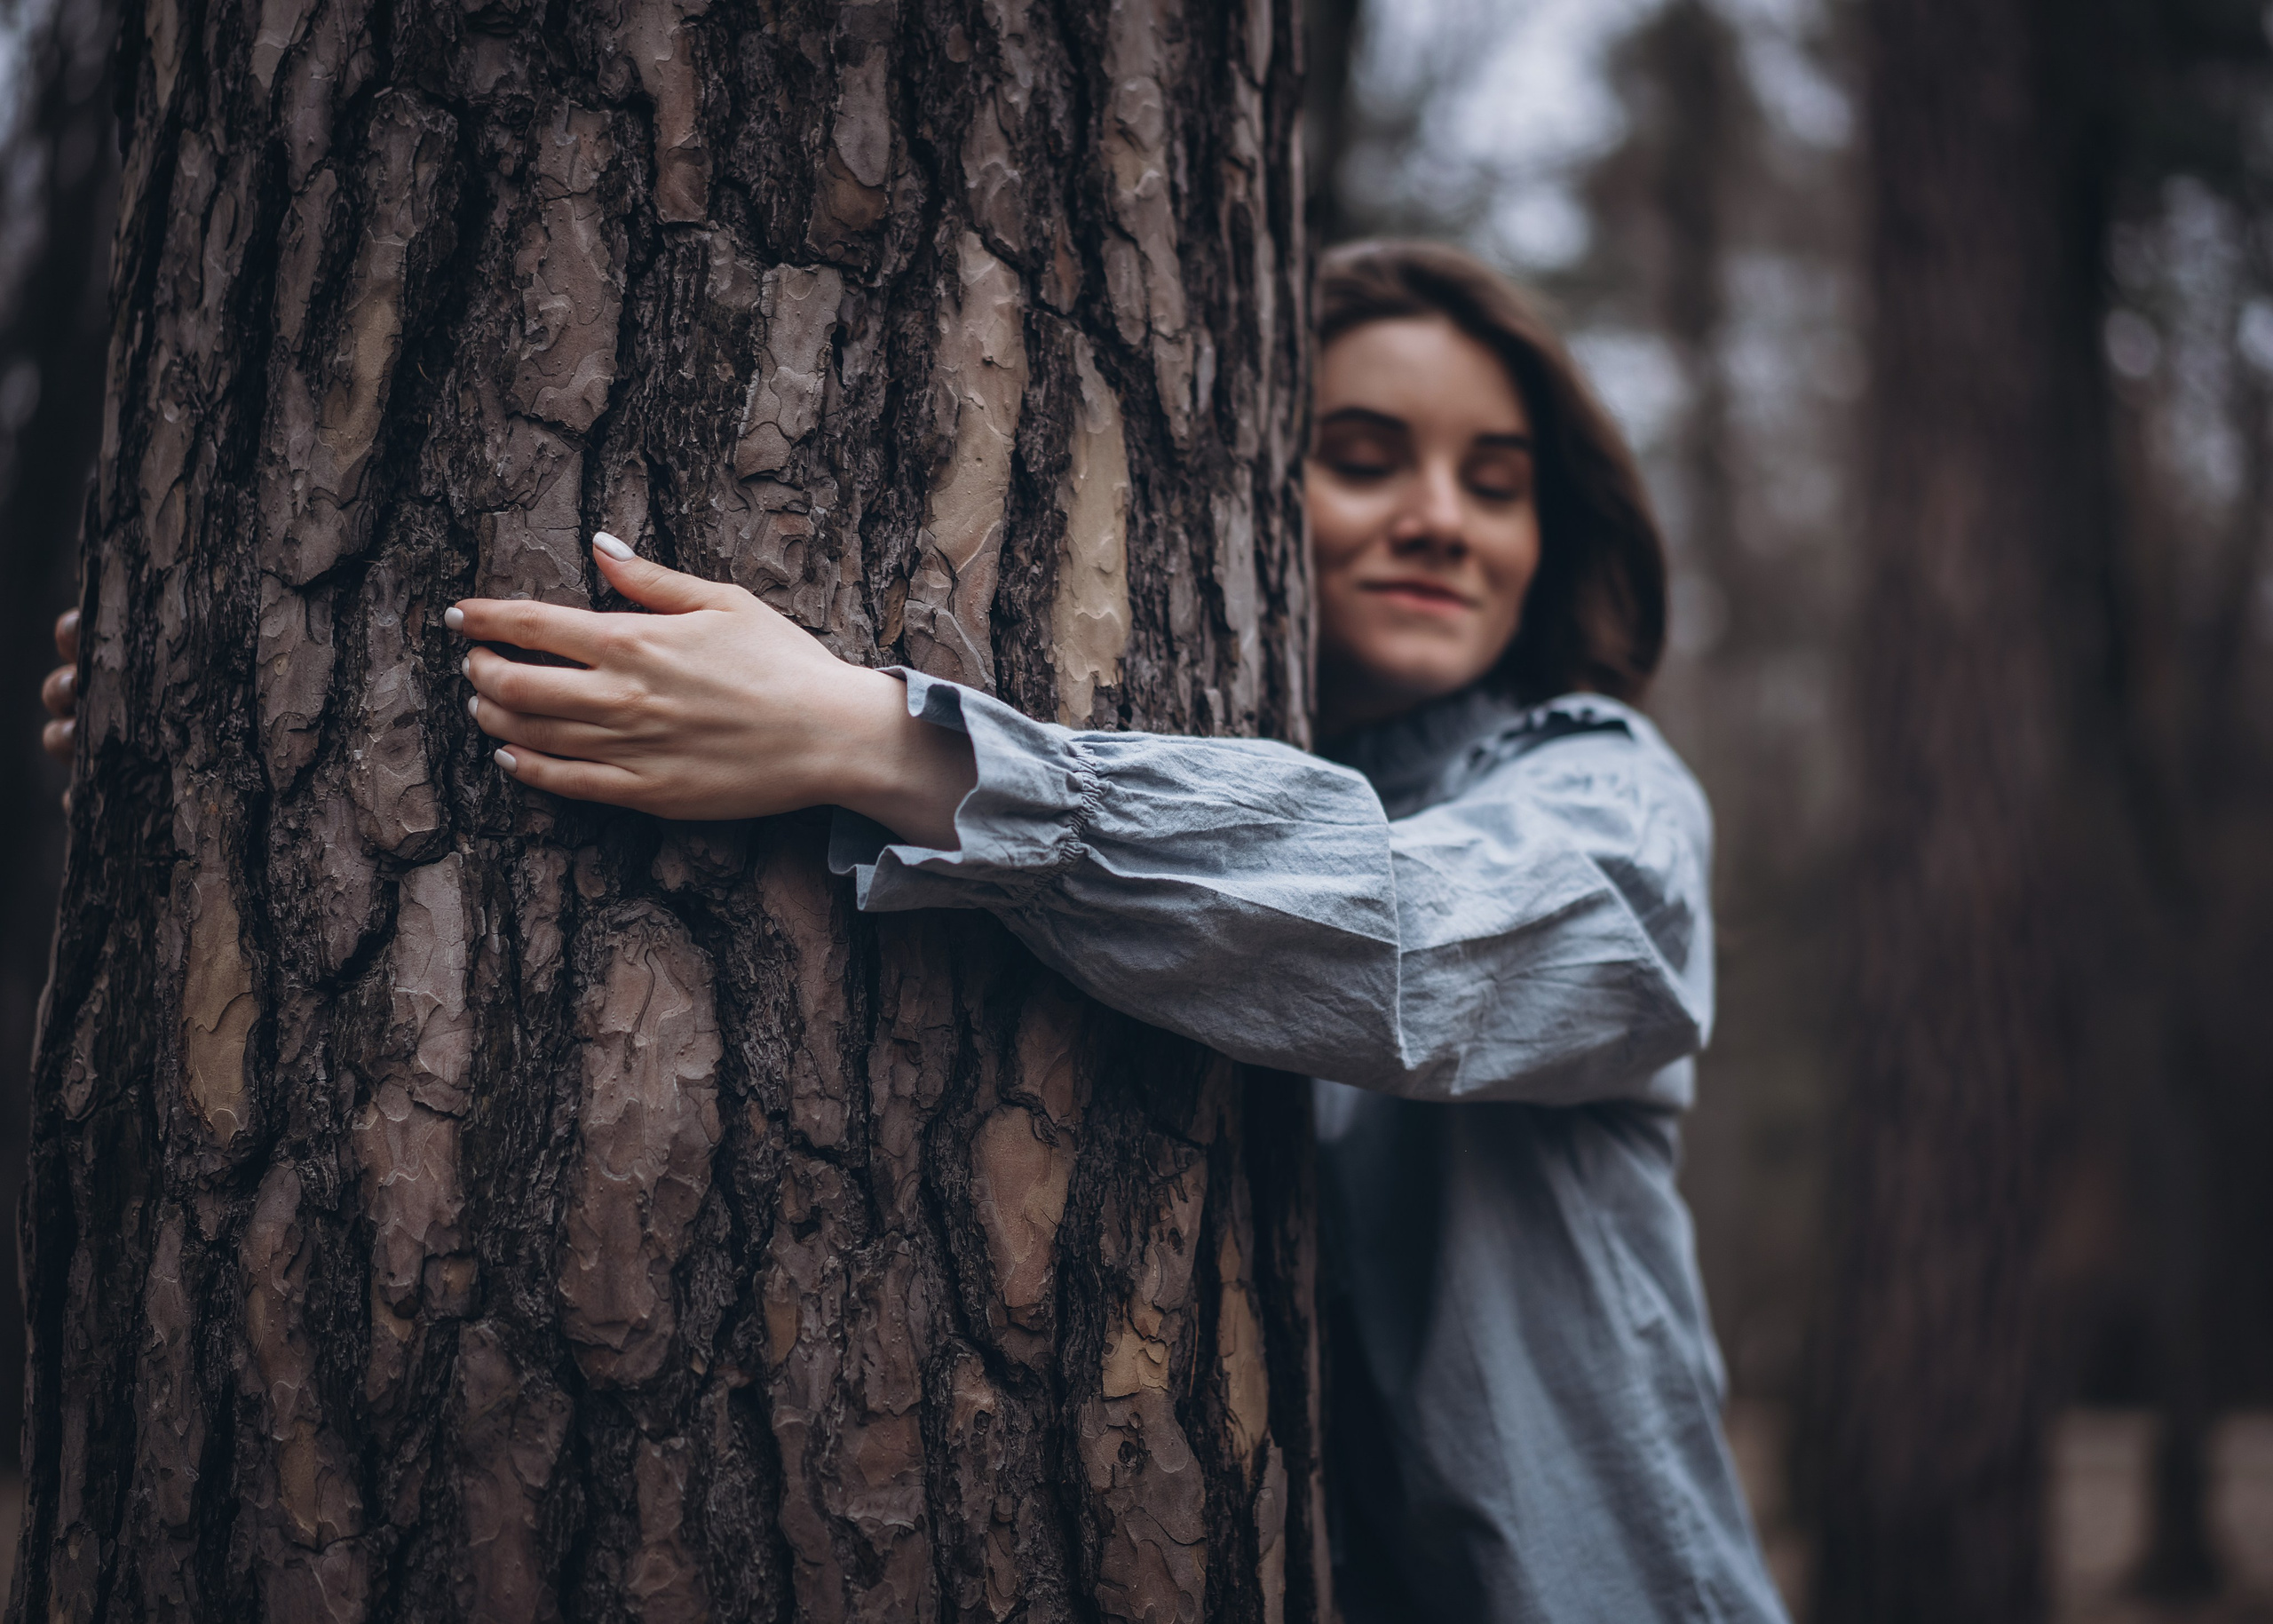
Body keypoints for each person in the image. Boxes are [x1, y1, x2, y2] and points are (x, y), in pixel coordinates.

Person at [43, 240, 1786, 1621]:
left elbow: (1411, 940)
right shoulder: (1194, 816)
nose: (1439, 519)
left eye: (1497, 481)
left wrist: (881, 742)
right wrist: (227, 743)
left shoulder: (1607, 800)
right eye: (1361, 456)